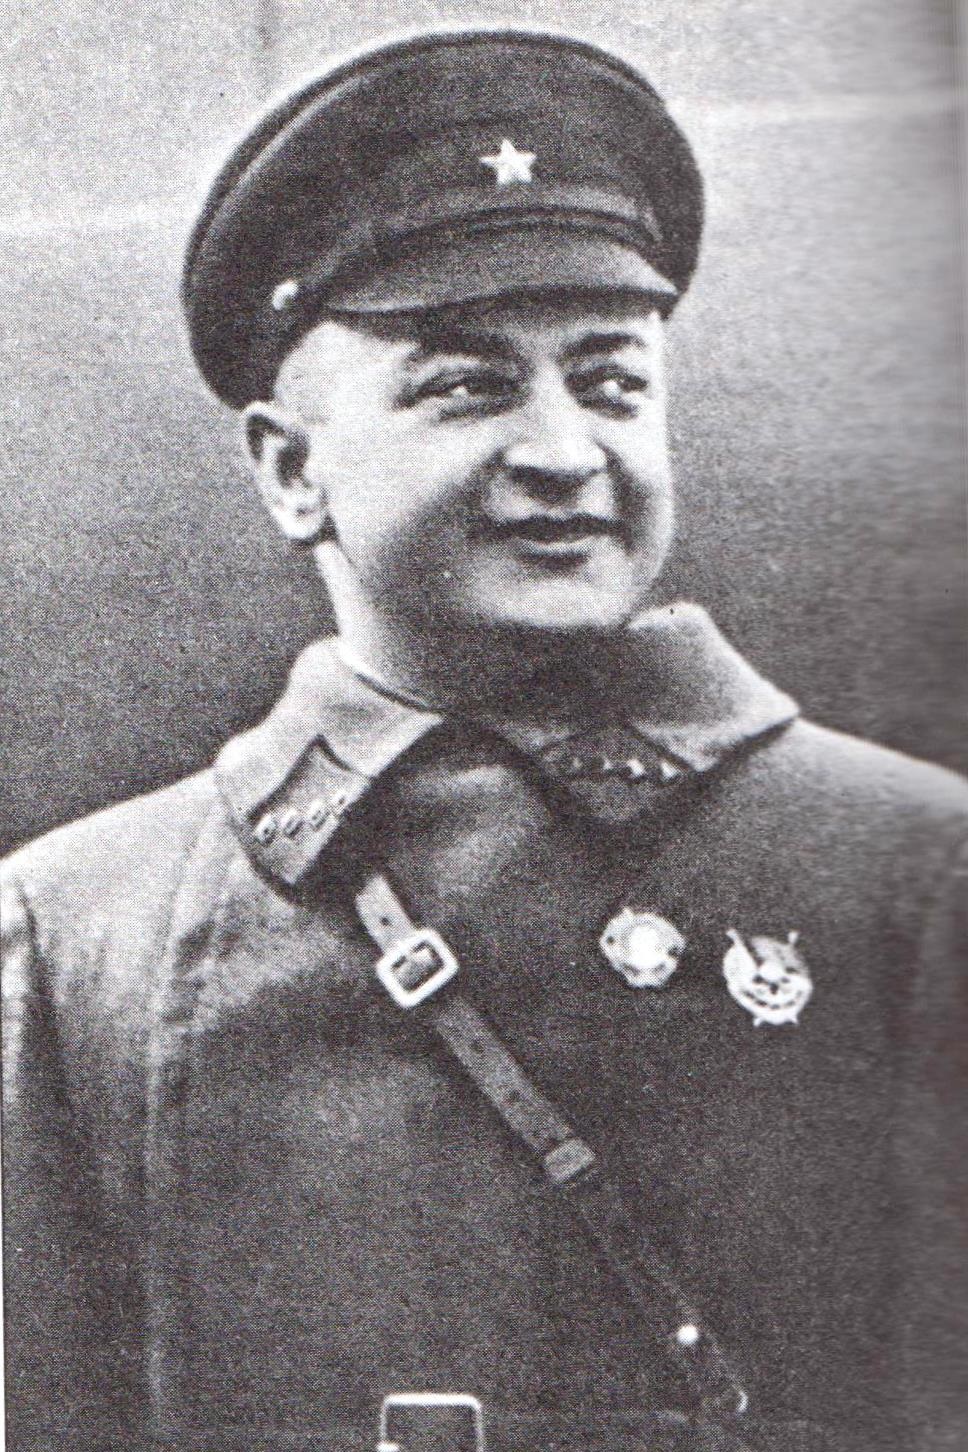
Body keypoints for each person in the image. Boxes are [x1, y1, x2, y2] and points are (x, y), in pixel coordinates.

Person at [2, 27, 965, 1452]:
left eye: (613, 383)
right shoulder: (85, 931)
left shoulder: (911, 871)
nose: (568, 452)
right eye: (468, 386)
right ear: (291, 469)